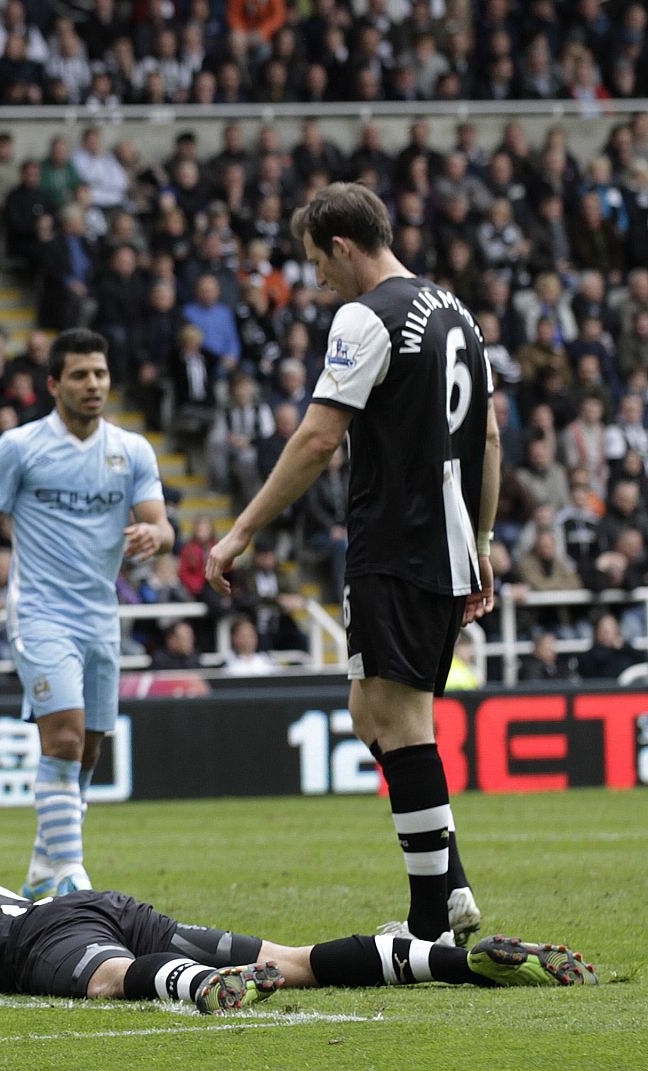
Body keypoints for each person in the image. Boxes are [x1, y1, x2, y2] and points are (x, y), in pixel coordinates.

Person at [205, 183, 501, 948]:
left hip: (396, 544)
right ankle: (453, 886)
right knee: (373, 713)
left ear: (342, 245)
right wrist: (484, 543)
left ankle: (431, 920)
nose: (317, 281)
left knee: (396, 721)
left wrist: (240, 530)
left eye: (315, 263)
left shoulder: (367, 315)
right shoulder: (457, 313)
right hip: (444, 544)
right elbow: (491, 440)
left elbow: (315, 440)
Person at [0, 328, 171, 901]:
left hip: (99, 614)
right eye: (79, 375)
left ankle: (46, 862)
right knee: (64, 738)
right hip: (39, 611)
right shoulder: (20, 447)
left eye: (100, 373)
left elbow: (162, 524)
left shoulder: (131, 451)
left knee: (90, 746)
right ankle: (70, 873)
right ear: (53, 384)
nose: (93, 384)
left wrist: (155, 534)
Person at [0, 870, 598, 1006]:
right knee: (289, 963)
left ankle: (189, 987)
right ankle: (454, 961)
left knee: (111, 982)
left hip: (44, 937)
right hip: (93, 901)